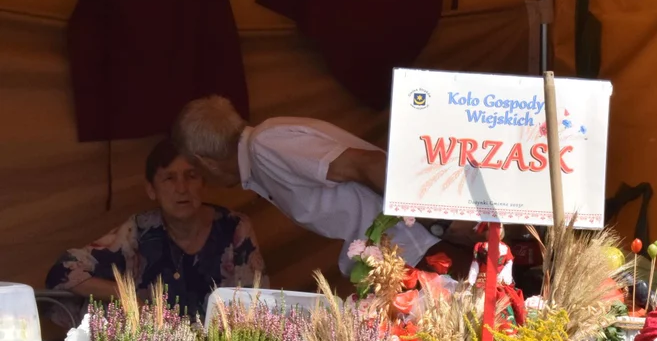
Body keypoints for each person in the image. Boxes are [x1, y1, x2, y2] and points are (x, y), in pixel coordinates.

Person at [172, 96, 476, 280]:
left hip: (422, 248)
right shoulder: (264, 148)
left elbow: (368, 165)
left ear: (206, 162)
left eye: (194, 171)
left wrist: (441, 221)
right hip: (408, 254)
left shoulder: (267, 146)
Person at [46, 139, 265, 320]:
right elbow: (63, 271)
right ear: (152, 190)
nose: (181, 189)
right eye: (169, 178)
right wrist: (127, 296)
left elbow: (257, 306)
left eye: (191, 176)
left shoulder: (235, 228)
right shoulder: (140, 230)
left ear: (203, 183)